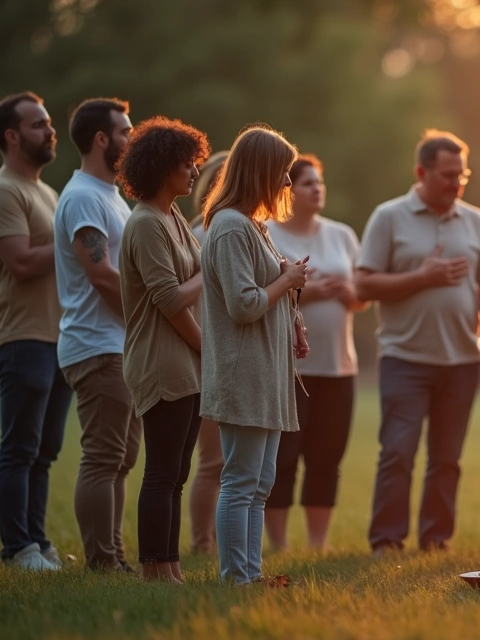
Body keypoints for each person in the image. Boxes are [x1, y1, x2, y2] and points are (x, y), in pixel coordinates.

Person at [357, 130, 480, 555]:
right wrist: (421, 277)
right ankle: (387, 539)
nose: (456, 183)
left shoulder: (476, 221)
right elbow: (362, 284)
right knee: (398, 451)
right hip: (405, 358)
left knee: (446, 458)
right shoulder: (389, 217)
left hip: (462, 360)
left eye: (462, 175)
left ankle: (436, 538)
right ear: (422, 173)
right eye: (447, 175)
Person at [199, 125, 308, 585]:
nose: (288, 182)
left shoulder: (254, 226)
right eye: (282, 171)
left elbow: (266, 291)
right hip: (243, 371)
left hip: (266, 372)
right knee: (241, 481)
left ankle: (251, 574)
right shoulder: (229, 227)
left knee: (260, 483)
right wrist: (287, 280)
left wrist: (293, 318)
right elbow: (243, 304)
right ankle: (235, 579)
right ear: (260, 170)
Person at [116, 116, 211, 582]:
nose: (195, 171)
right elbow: (170, 300)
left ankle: (170, 568)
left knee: (177, 473)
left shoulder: (173, 218)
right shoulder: (146, 223)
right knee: (161, 471)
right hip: (160, 360)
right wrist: (207, 348)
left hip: (187, 361)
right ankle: (152, 570)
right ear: (162, 166)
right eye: (187, 163)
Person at [53, 97, 142, 572]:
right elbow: (102, 276)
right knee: (104, 457)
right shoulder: (84, 196)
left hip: (119, 344)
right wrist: (144, 321)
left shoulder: (110, 194)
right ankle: (102, 562)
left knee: (121, 459)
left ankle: (114, 558)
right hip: (97, 345)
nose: (132, 138)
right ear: (101, 139)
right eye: (125, 132)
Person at [265, 154, 368, 552]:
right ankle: (278, 544)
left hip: (339, 366)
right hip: (287, 367)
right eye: (308, 182)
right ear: (288, 190)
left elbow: (361, 295)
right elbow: (261, 295)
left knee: (326, 458)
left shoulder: (341, 234)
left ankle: (318, 544)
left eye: (320, 182)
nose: (317, 189)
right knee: (283, 457)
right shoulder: (269, 232)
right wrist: (308, 293)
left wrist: (349, 293)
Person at [0, 92, 71, 571]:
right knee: (19, 448)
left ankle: (39, 545)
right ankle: (17, 549)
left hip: (58, 338)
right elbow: (19, 262)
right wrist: (75, 244)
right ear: (12, 136)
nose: (50, 130)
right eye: (38, 124)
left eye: (49, 122)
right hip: (21, 336)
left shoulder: (48, 192)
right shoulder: (2, 190)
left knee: (45, 451)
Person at [186, 150, 228, 554]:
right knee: (213, 460)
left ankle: (221, 539)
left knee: (231, 462)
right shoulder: (201, 233)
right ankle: (203, 543)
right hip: (207, 357)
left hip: (231, 358)